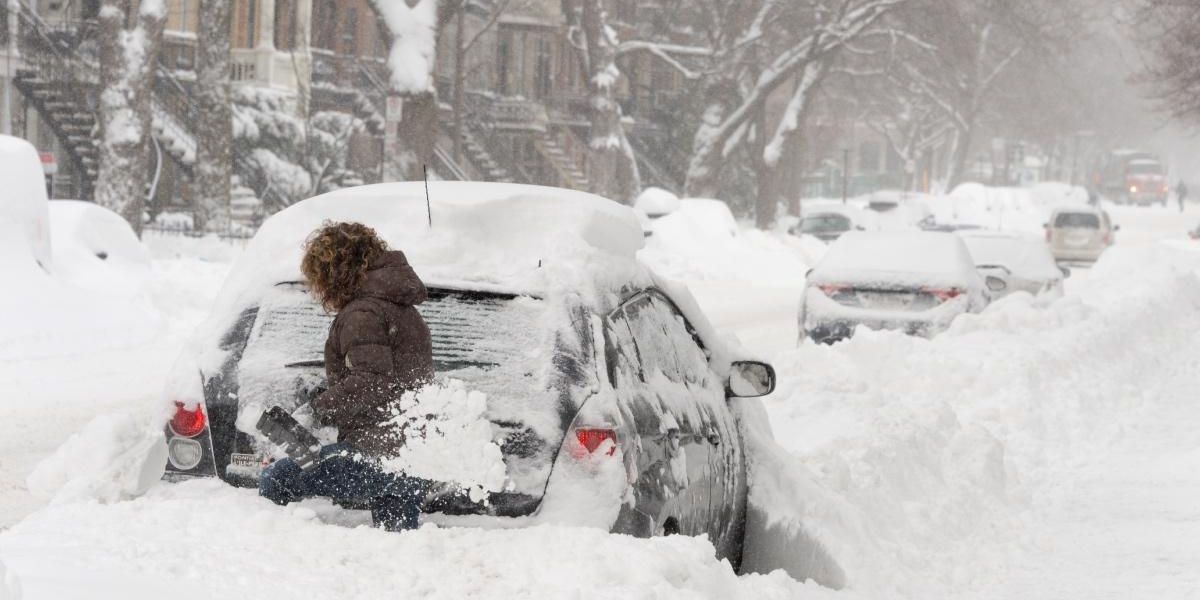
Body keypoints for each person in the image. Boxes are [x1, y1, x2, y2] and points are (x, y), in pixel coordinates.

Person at [258, 221, 436, 531]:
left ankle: (271, 548)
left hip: (379, 453)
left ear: (334, 271)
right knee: (396, 539)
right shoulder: (400, 307)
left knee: (278, 477)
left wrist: (316, 411)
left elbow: (373, 380)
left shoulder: (363, 312)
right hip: (413, 454)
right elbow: (387, 378)